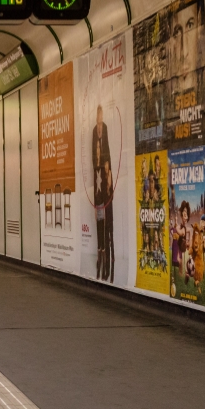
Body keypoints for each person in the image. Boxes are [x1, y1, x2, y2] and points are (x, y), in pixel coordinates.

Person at [91, 104, 114, 281]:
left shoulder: (105, 128)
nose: (100, 116)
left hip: (104, 189)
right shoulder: (94, 131)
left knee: (106, 218)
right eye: (98, 113)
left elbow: (104, 149)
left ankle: (106, 250)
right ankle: (101, 249)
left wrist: (106, 165)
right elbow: (95, 153)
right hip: (98, 183)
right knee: (99, 215)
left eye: (101, 113)